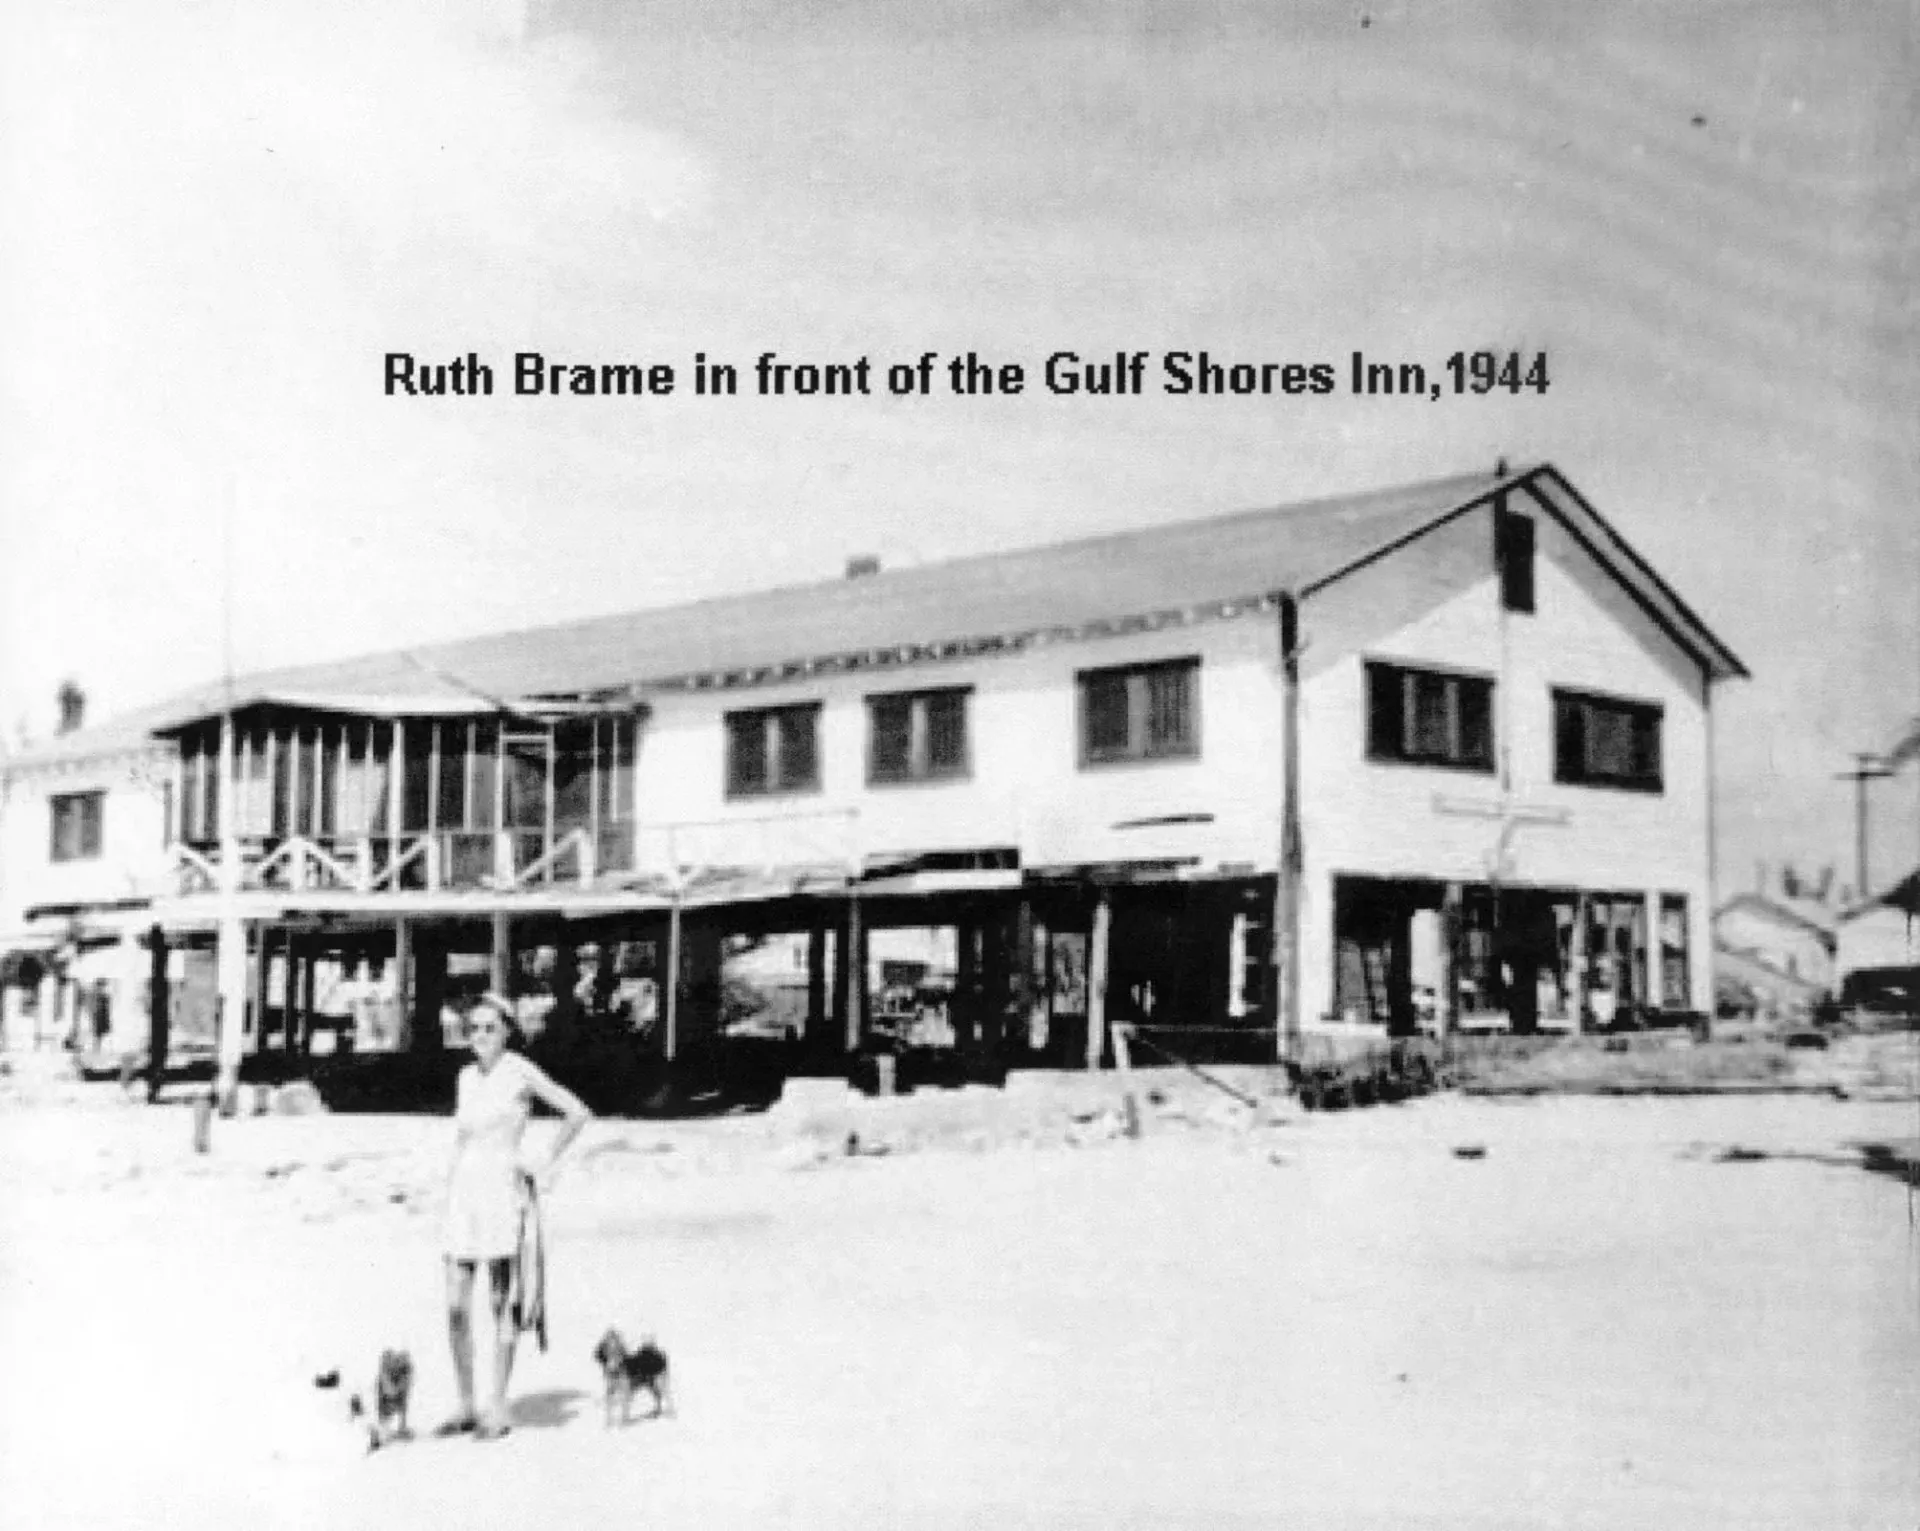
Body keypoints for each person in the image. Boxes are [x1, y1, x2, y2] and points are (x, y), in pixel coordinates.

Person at [441, 993, 591, 1441]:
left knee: (501, 1301)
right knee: (455, 1305)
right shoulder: (465, 1076)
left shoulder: (520, 1071)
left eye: (490, 1027)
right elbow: (462, 1139)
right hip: (464, 1194)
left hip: (502, 1192)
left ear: (507, 1030)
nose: (481, 1036)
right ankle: (465, 1403)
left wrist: (541, 1160)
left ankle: (498, 1405)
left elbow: (576, 1112)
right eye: (474, 1028)